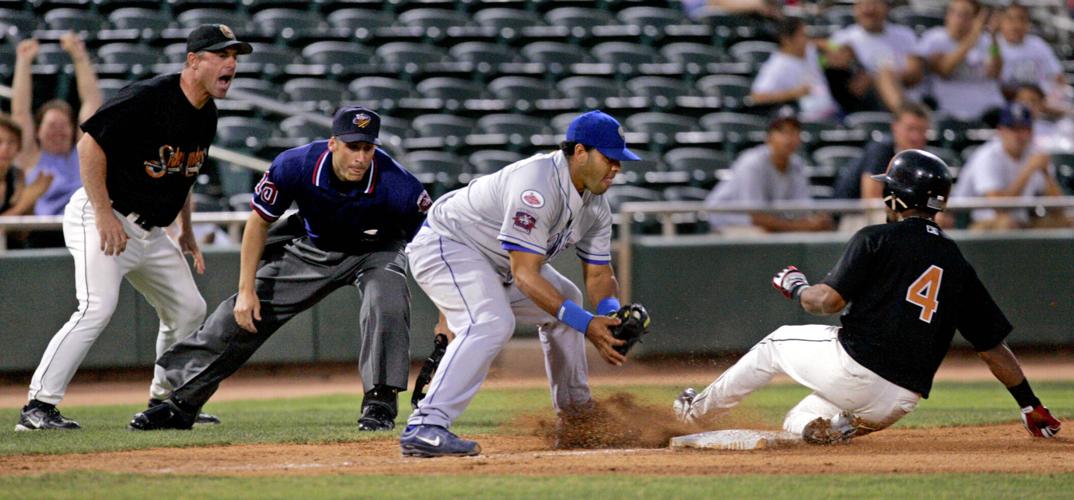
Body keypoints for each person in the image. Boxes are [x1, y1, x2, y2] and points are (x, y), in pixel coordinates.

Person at [674, 149, 1062, 444]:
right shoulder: (957, 262)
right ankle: (829, 428)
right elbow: (993, 348)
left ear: (896, 195)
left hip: (855, 366)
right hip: (897, 402)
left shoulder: (876, 238)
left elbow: (826, 302)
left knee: (775, 343)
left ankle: (693, 415)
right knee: (801, 419)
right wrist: (1029, 403)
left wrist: (797, 287)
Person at [128, 105, 430, 432]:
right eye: (352, 147)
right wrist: (246, 292)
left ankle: (379, 404)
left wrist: (445, 312)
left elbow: (433, 245)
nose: (360, 157)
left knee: (385, 300)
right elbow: (257, 223)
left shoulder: (398, 184)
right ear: (333, 144)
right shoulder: (296, 164)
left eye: (367, 148)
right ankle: (180, 403)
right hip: (315, 245)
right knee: (241, 313)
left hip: (377, 249)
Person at [16, 25, 253, 431]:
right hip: (102, 215)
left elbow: (184, 174)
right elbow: (89, 143)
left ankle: (163, 401)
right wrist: (104, 213)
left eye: (234, 55)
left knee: (188, 309)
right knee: (96, 306)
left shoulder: (206, 113)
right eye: (221, 54)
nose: (231, 62)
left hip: (151, 230)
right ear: (193, 61)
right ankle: (37, 406)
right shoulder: (150, 97)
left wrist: (188, 231)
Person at [398, 110, 639, 457]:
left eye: (620, 160)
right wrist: (588, 324)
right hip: (448, 244)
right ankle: (426, 425)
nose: (616, 168)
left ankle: (577, 418)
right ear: (580, 152)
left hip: (497, 263)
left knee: (566, 298)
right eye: (609, 158)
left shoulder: (596, 205)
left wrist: (610, 315)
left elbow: (600, 274)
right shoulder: (537, 185)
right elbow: (526, 275)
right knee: (491, 321)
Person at [12, 33, 102, 246]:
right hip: (40, 237)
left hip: (82, 236)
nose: (58, 131)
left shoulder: (81, 154)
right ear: (38, 131)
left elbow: (91, 103)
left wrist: (79, 58)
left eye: (64, 126)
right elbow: (20, 112)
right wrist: (24, 62)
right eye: (51, 126)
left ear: (73, 131)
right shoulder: (31, 156)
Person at [704, 108, 833, 234]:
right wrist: (802, 226)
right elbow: (756, 217)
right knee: (763, 237)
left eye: (794, 131)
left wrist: (816, 221)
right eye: (782, 132)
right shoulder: (752, 162)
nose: (788, 138)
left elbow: (802, 209)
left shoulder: (797, 165)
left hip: (763, 224)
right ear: (769, 137)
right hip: (726, 222)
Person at [949, 103, 1067, 230]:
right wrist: (1027, 171)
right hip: (977, 225)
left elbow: (1059, 209)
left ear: (1031, 132)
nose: (1019, 135)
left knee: (1067, 222)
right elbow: (999, 207)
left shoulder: (1035, 154)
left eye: (1024, 128)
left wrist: (1046, 174)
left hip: (1021, 223)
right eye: (1013, 128)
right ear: (1001, 131)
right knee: (1007, 223)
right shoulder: (988, 156)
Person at [913, 0, 1005, 123]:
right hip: (950, 113)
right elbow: (944, 69)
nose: (958, 19)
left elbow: (995, 72)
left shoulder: (986, 41)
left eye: (965, 15)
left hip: (990, 112)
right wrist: (974, 35)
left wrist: (993, 38)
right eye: (954, 12)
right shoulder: (935, 38)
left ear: (975, 18)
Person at [826, 0, 926, 112]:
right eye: (863, 5)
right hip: (865, 105)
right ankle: (904, 115)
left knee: (885, 74)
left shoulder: (905, 35)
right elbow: (848, 88)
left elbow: (915, 74)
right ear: (855, 8)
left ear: (886, 7)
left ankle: (905, 115)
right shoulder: (841, 39)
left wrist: (879, 77)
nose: (869, 9)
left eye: (875, 4)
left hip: (909, 97)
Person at [832, 101, 930, 202]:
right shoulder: (880, 151)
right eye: (910, 129)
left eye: (921, 130)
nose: (915, 137)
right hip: (852, 212)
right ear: (895, 127)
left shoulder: (925, 159)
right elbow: (872, 201)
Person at [750, 16, 840, 122]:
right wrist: (792, 94)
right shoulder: (776, 66)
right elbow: (757, 97)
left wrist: (832, 48)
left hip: (833, 112)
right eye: (801, 35)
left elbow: (835, 47)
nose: (806, 39)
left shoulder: (810, 49)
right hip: (807, 120)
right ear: (786, 40)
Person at [996, 2, 1068, 105]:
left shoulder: (1038, 45)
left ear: (1028, 23)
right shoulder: (993, 44)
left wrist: (1053, 100)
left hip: (1038, 105)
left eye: (1021, 19)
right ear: (1001, 21)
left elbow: (1059, 79)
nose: (1016, 25)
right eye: (1010, 19)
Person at [0, 116, 51, 217]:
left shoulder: (17, 175)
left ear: (18, 147)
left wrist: (32, 200)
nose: (5, 148)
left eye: (12, 142)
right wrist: (24, 203)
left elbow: (22, 231)